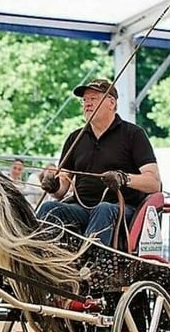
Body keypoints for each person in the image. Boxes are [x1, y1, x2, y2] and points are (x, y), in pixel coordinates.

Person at [37, 78, 161, 247]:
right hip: (81, 209)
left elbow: (154, 183)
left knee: (104, 209)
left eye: (93, 99)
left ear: (111, 103)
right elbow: (62, 189)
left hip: (120, 210)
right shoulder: (75, 138)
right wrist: (53, 186)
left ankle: (90, 259)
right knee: (49, 208)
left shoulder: (133, 134)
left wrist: (124, 178)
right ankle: (41, 257)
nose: (87, 104)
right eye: (84, 100)